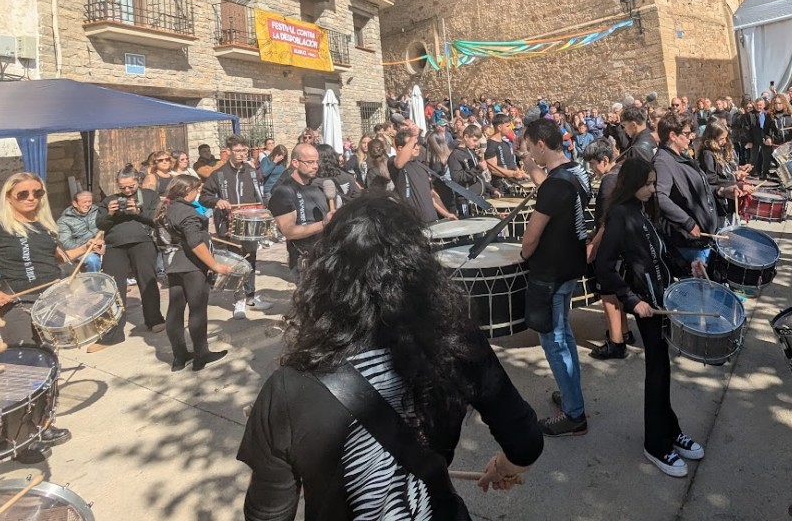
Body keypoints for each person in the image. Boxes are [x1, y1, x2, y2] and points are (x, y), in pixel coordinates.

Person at [239, 195, 542, 519]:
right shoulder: (457, 345)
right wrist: (504, 466)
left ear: (324, 275)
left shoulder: (286, 389)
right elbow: (525, 442)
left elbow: (267, 514)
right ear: (420, 267)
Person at [596, 157, 708, 477]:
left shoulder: (642, 210)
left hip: (662, 299)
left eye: (651, 182)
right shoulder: (620, 214)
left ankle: (670, 429)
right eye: (646, 183)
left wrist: (689, 268)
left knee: (663, 370)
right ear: (632, 184)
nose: (651, 188)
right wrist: (632, 301)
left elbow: (659, 253)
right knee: (656, 373)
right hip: (647, 305)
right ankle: (655, 444)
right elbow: (604, 266)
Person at [0, 173, 89, 459]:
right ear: (9, 196)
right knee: (22, 374)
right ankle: (19, 440)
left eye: (37, 192)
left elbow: (57, 259)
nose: (31, 198)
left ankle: (43, 425)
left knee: (48, 368)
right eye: (23, 193)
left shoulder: (45, 228)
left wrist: (86, 248)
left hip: (49, 305)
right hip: (17, 307)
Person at [519, 118, 591, 437]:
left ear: (541, 144)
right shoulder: (576, 172)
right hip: (571, 267)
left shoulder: (554, 186)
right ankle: (571, 394)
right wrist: (534, 173)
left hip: (550, 272)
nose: (529, 154)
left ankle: (574, 414)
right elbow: (552, 192)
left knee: (554, 340)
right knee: (565, 336)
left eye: (530, 148)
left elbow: (531, 238)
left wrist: (523, 254)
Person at [156, 175, 233, 371]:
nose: (198, 193)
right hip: (191, 266)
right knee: (197, 309)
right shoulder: (187, 212)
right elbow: (195, 243)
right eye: (196, 190)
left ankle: (179, 357)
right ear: (186, 191)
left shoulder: (165, 209)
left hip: (173, 264)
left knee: (175, 309)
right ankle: (201, 355)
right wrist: (215, 266)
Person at [201, 135, 272, 320]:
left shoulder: (251, 171)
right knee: (236, 260)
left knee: (251, 259)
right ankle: (238, 299)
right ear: (229, 152)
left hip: (250, 224)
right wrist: (217, 201)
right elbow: (204, 197)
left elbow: (259, 195)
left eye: (244, 151)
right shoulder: (219, 174)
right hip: (229, 224)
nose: (242, 154)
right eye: (238, 151)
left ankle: (250, 296)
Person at [95, 167, 166, 352]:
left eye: (131, 187)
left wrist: (138, 212)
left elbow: (158, 219)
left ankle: (154, 319)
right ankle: (113, 333)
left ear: (138, 182)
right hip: (115, 247)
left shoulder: (149, 196)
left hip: (142, 243)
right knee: (113, 288)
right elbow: (100, 224)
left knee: (147, 281)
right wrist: (110, 214)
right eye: (123, 188)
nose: (127, 191)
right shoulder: (109, 200)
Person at [582, 138, 631, 359]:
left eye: (592, 163)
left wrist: (593, 245)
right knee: (618, 292)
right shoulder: (622, 173)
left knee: (608, 295)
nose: (591, 169)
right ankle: (624, 332)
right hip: (623, 243)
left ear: (604, 160)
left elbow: (606, 221)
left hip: (610, 246)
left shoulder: (608, 182)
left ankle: (616, 343)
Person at [652, 111, 718, 270]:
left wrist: (722, 191)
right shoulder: (662, 161)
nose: (691, 137)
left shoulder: (681, 156)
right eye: (687, 134)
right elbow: (659, 196)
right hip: (688, 243)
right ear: (673, 135)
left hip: (702, 239)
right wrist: (687, 222)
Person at [270, 142, 334, 279]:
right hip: (304, 261)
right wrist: (323, 224)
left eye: (317, 162)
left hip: (326, 257)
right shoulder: (283, 192)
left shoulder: (319, 187)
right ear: (295, 162)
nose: (315, 166)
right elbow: (289, 231)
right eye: (310, 162)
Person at [391, 129, 456, 224]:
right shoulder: (394, 163)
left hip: (432, 220)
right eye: (413, 145)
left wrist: (447, 214)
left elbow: (432, 194)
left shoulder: (422, 166)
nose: (417, 147)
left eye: (417, 144)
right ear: (400, 148)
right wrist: (413, 137)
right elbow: (399, 163)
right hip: (414, 223)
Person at [57, 190, 104, 272]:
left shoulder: (98, 211)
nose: (87, 205)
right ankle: (94, 281)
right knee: (92, 260)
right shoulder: (64, 221)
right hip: (82, 250)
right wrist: (87, 246)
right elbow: (66, 243)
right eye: (84, 202)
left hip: (101, 245)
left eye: (90, 202)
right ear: (75, 204)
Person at [448, 124, 488, 216]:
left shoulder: (471, 152)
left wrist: (491, 189)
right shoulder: (455, 155)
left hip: (478, 198)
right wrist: (478, 168)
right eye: (474, 140)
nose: (476, 144)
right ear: (466, 137)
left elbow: (479, 177)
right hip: (466, 200)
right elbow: (457, 178)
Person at [485, 113, 529, 194]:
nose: (510, 128)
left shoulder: (506, 143)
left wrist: (520, 173)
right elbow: (493, 169)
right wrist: (513, 173)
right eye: (507, 126)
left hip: (513, 182)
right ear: (499, 127)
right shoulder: (491, 144)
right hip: (501, 186)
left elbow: (511, 163)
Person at [746, 98, 781, 178]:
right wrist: (749, 140)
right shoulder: (749, 115)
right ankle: (753, 172)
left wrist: (769, 138)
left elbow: (771, 127)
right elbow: (746, 129)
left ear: (764, 105)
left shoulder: (768, 114)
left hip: (766, 138)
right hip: (755, 139)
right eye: (757, 105)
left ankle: (765, 172)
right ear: (754, 105)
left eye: (760, 105)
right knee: (754, 156)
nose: (759, 107)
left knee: (767, 156)